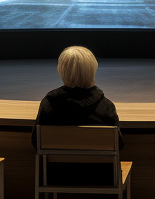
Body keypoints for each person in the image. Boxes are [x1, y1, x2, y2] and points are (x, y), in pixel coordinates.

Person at [31, 46, 121, 186]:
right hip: (101, 177)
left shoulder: (48, 104)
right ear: (92, 70)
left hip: (55, 176)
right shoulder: (106, 107)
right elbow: (119, 144)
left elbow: (36, 142)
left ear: (62, 71)